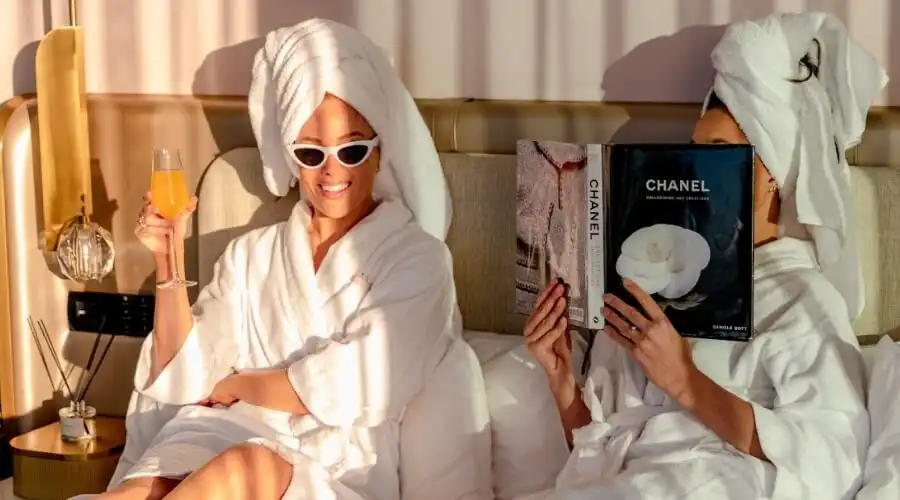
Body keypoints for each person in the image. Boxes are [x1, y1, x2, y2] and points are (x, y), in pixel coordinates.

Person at [75, 18, 491, 500]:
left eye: (353, 149)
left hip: (329, 468)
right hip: (210, 435)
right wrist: (169, 261)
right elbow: (185, 375)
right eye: (312, 154)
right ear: (293, 158)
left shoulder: (420, 262)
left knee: (245, 467)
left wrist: (241, 384)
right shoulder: (250, 256)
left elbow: (363, 378)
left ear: (380, 152)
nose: (333, 170)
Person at [523, 12, 886, 500]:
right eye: (694, 152)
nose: (697, 168)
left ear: (769, 176)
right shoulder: (644, 279)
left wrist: (687, 382)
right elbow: (600, 450)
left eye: (718, 151)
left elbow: (832, 460)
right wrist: (562, 380)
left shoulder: (804, 300)